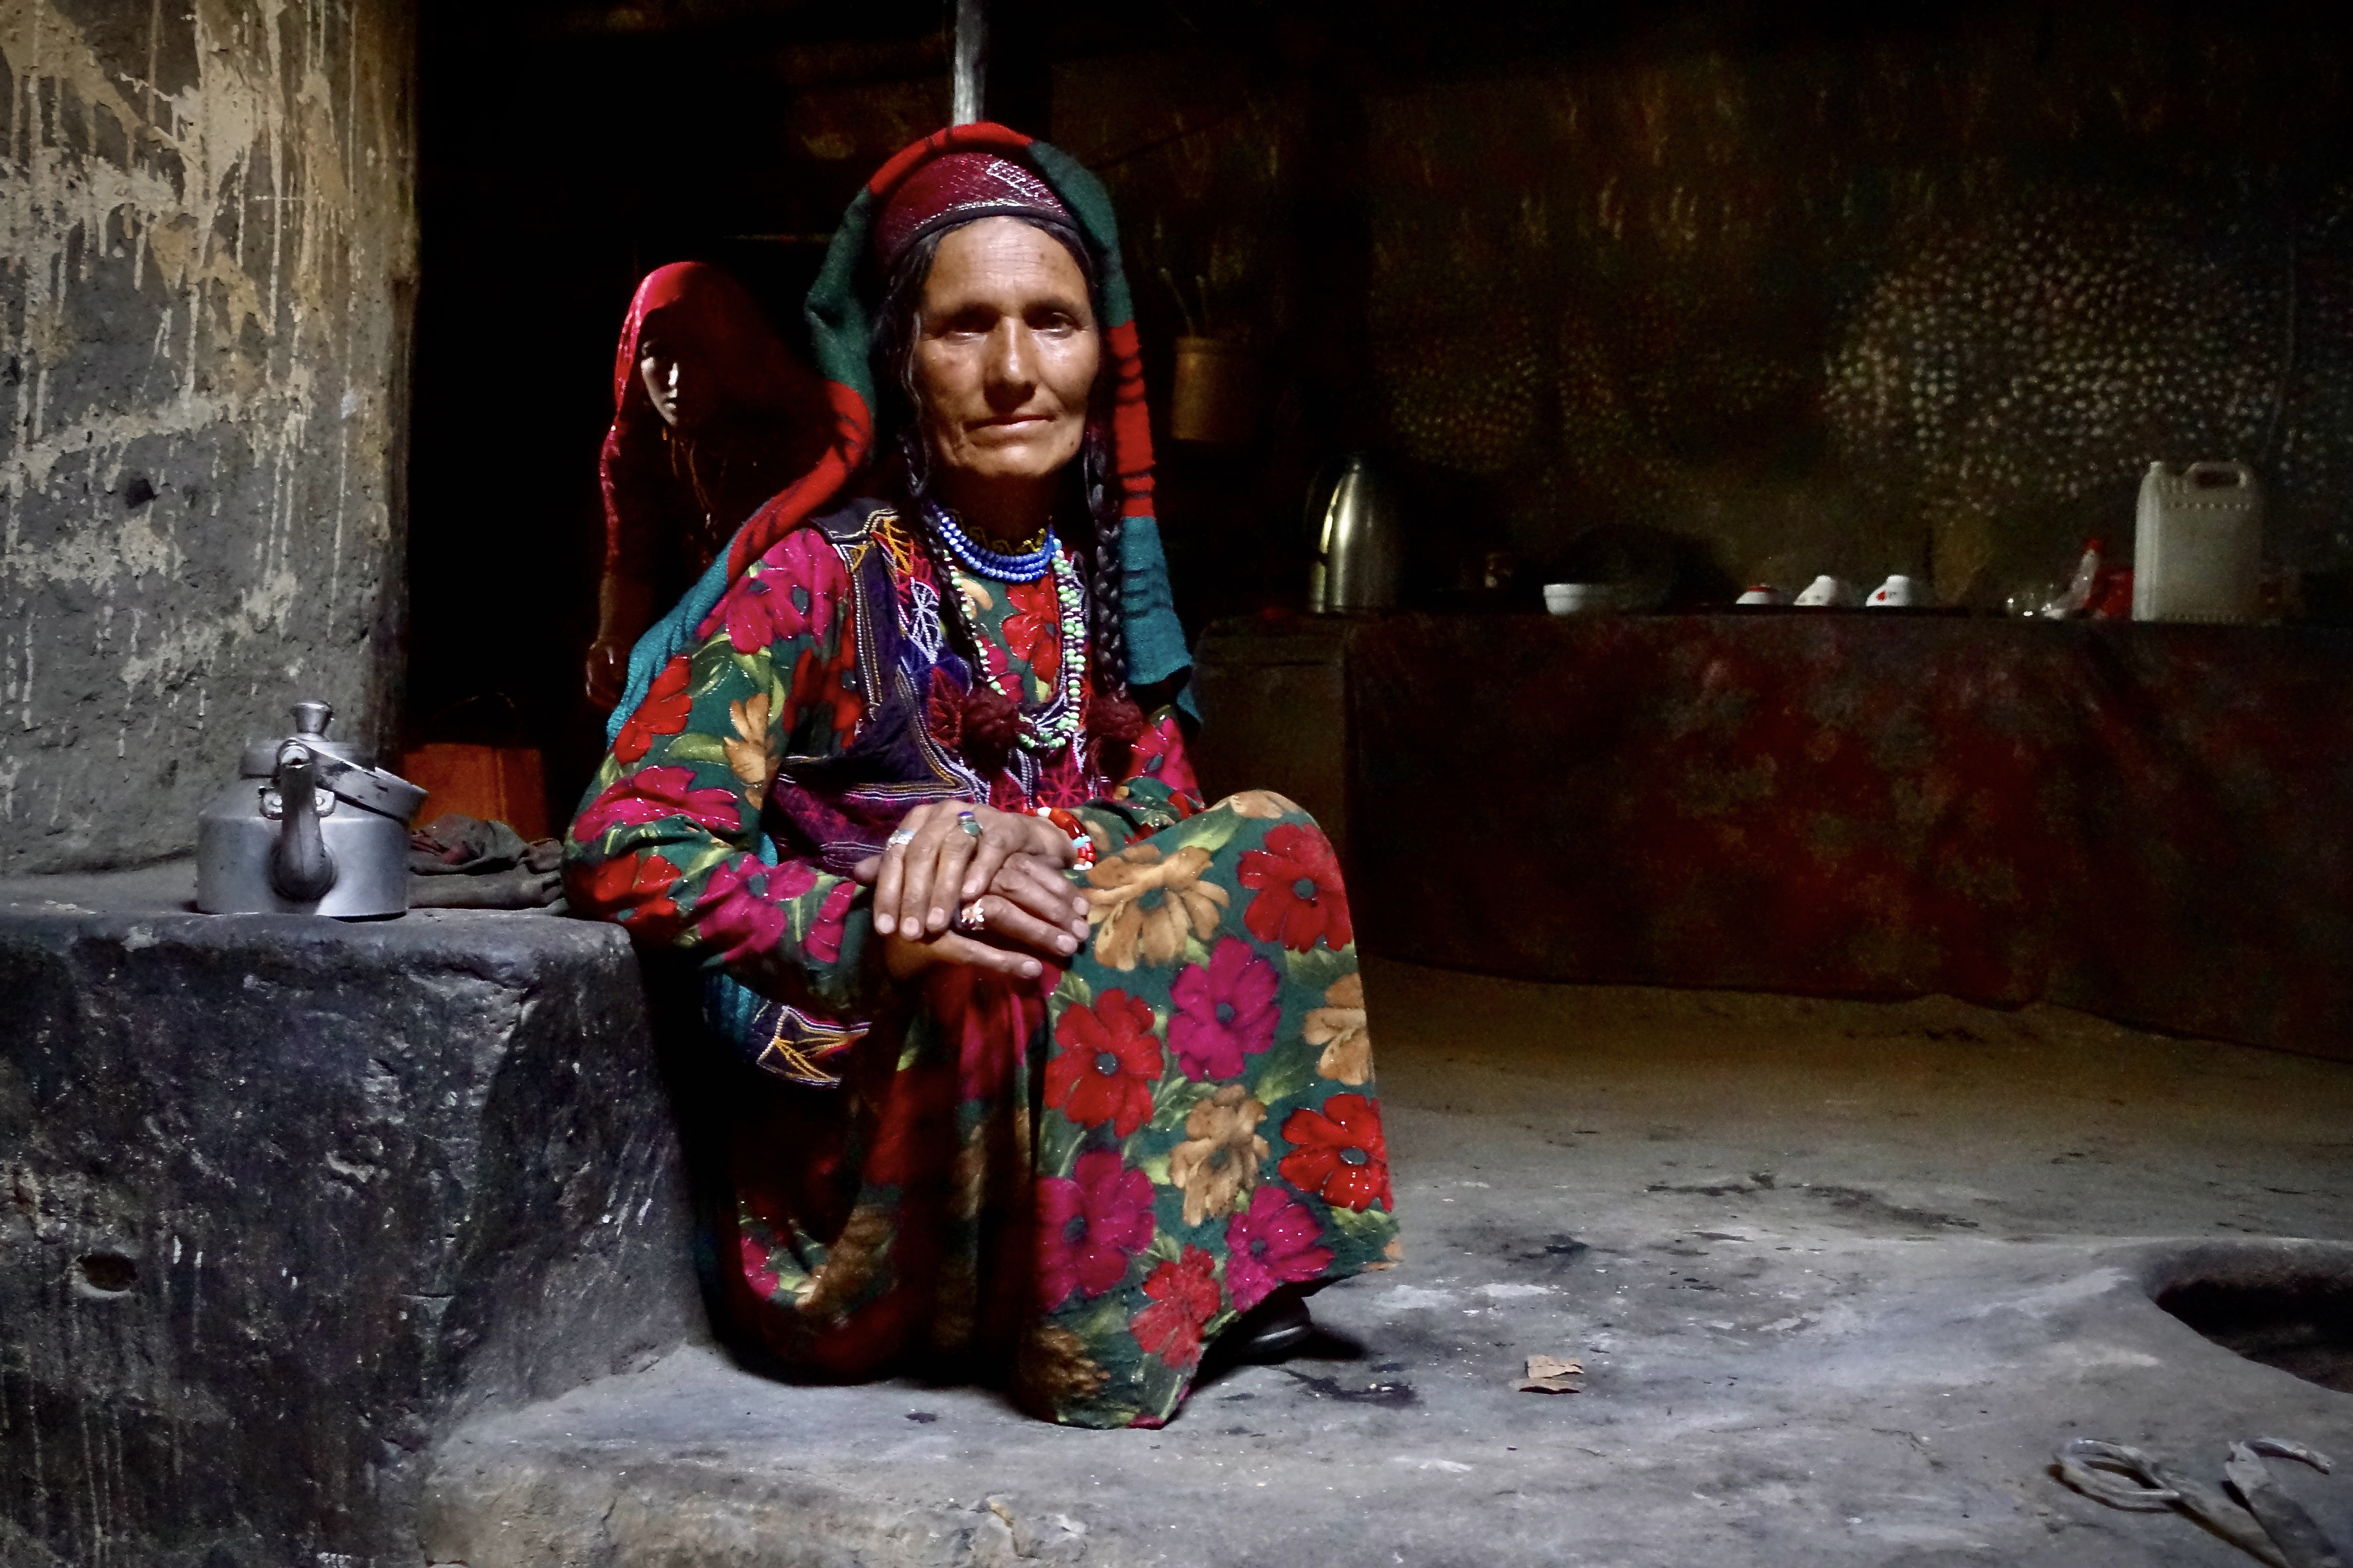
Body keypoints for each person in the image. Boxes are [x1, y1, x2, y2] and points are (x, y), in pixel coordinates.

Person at [564, 125, 1397, 1428]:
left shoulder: (1097, 601)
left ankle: (1155, 1271)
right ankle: (1089, 1320)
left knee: (1267, 841)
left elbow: (1163, 823)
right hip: (873, 1147)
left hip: (1038, 1112)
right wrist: (878, 918)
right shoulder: (817, 583)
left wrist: (1030, 846)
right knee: (992, 952)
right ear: (902, 359)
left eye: (1051, 322)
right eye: (966, 327)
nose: (1013, 369)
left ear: (1096, 359)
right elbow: (623, 838)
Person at [586, 261, 832, 709]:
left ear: (731, 350)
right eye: (658, 353)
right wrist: (613, 642)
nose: (676, 379)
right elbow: (632, 555)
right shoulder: (639, 443)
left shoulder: (798, 430)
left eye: (699, 353)